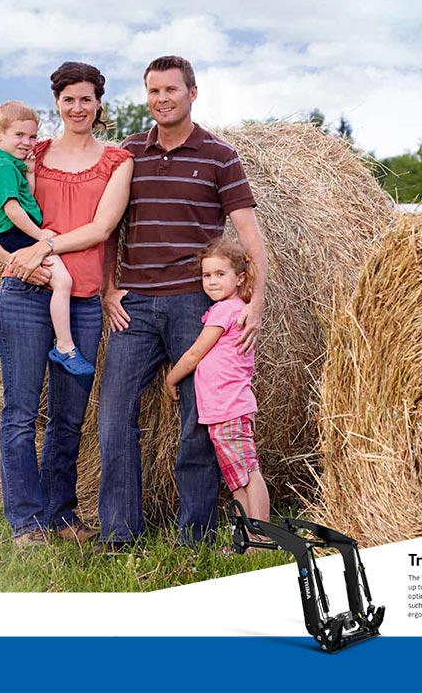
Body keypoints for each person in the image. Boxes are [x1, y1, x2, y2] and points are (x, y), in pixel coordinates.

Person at [98, 55, 270, 548]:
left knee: (198, 420)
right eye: (153, 91)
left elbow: (250, 239)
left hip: (194, 307)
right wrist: (110, 286)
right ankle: (119, 532)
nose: (161, 99)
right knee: (113, 415)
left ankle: (194, 534)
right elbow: (109, 225)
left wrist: (256, 301)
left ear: (192, 93)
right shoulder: (127, 154)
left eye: (170, 90)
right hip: (134, 303)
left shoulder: (220, 156)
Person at [0, 61, 133, 549]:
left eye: (86, 98)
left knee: (68, 418)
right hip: (24, 296)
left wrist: (44, 247)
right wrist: (14, 261)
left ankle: (61, 515)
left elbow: (103, 229)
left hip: (82, 299)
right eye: (68, 99)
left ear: (99, 103)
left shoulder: (117, 160)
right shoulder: (28, 154)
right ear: (57, 104)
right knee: (21, 413)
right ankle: (27, 523)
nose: (78, 107)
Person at [0, 100, 94, 378]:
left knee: (57, 280)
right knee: (63, 281)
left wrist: (29, 173)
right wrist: (40, 236)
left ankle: (63, 343)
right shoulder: (2, 168)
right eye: (19, 135)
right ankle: (65, 346)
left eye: (32, 136)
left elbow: (26, 197)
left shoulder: (7, 164)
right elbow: (13, 209)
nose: (27, 142)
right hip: (17, 235)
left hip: (18, 233)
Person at [161, 239, 270, 536]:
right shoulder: (234, 309)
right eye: (207, 275)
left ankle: (262, 533)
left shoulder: (225, 311)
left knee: (247, 473)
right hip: (222, 410)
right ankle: (248, 535)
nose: (212, 281)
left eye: (220, 274)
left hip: (229, 408)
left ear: (240, 277)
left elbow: (195, 353)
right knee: (236, 477)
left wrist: (171, 378)